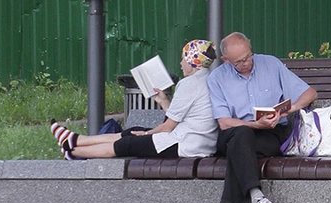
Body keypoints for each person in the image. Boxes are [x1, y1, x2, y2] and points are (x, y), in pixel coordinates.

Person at [208, 31, 317, 203]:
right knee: (241, 136)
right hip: (234, 132)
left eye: (248, 56)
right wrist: (253, 124)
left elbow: (310, 93)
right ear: (226, 60)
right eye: (239, 62)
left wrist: (289, 110)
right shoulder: (217, 78)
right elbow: (224, 122)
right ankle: (257, 197)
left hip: (270, 133)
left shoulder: (271, 64)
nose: (247, 63)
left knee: (241, 151)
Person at [50, 39, 219, 160]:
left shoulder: (190, 84)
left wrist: (146, 134)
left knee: (128, 143)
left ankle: (72, 151)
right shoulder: (206, 79)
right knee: (133, 130)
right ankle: (77, 140)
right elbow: (181, 117)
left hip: (187, 145)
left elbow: (168, 127)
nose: (181, 62)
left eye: (183, 58)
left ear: (192, 61)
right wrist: (163, 101)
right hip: (196, 141)